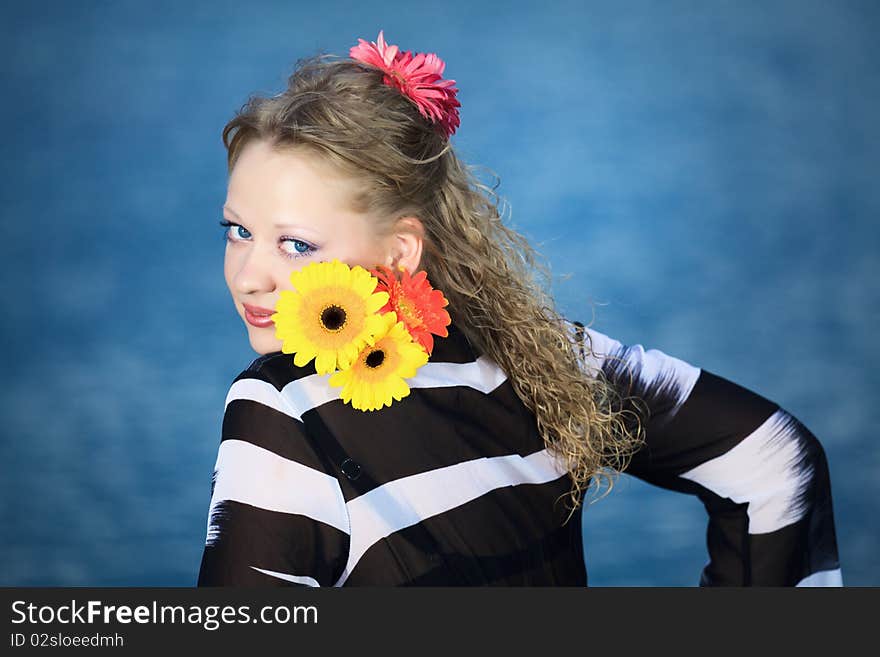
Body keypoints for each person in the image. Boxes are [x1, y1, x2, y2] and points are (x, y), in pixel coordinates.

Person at [197, 31, 842, 587]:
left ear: (400, 254)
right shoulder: (535, 356)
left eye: (297, 244)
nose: (251, 276)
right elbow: (776, 461)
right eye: (237, 230)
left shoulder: (282, 408)